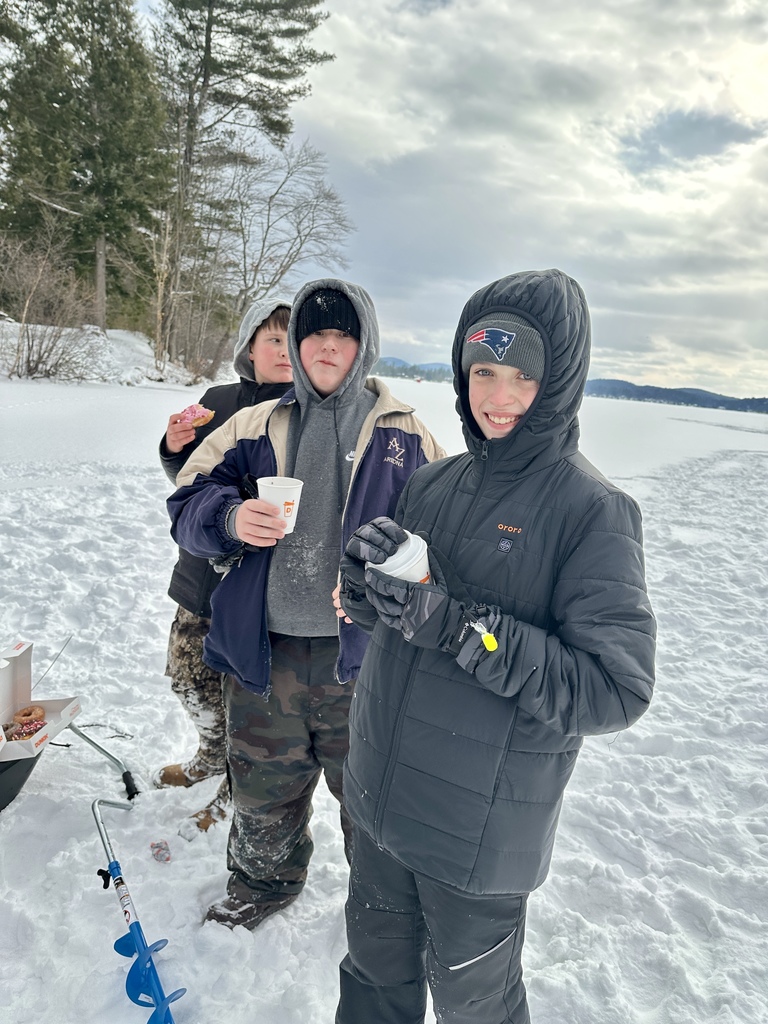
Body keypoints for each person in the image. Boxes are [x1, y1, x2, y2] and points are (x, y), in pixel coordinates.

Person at [334, 268, 657, 1023]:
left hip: (475, 843)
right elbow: (392, 620)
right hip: (380, 807)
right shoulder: (432, 483)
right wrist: (370, 582)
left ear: (561, 382)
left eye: (522, 377)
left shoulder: (593, 511)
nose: (498, 396)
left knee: (476, 1007)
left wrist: (457, 625)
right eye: (484, 372)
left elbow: (614, 688)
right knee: (374, 984)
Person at [167, 279, 445, 929]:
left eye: (342, 333)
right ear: (295, 343)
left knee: (374, 794)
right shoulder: (251, 425)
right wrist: (230, 519)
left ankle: (387, 903)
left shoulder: (405, 435)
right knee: (264, 786)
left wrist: (405, 571)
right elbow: (188, 506)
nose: (327, 345)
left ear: (364, 345)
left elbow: (443, 543)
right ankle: (263, 882)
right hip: (268, 651)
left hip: (365, 659)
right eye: (314, 332)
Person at [155, 297, 294, 837]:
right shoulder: (219, 401)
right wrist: (174, 446)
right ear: (249, 349)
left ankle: (236, 790)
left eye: (292, 340)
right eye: (272, 340)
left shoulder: (312, 410)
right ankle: (210, 752)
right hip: (202, 568)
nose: (283, 352)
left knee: (251, 702)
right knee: (188, 677)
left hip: (260, 585)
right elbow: (186, 478)